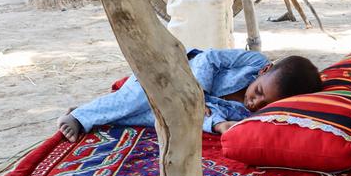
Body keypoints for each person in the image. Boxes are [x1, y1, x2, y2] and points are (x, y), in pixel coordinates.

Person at [58, 48, 322, 142]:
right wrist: (198, 93)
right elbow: (209, 58)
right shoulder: (253, 62)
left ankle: (92, 111)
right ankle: (81, 117)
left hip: (181, 105)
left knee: (152, 117)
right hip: (170, 73)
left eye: (265, 104)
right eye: (259, 92)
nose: (256, 102)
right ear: (264, 71)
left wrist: (218, 125)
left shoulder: (244, 113)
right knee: (136, 99)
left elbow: (205, 115)